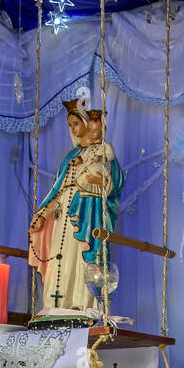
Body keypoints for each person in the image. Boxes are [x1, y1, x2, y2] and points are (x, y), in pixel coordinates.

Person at [28, 100, 125, 314]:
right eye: (70, 125)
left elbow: (115, 182)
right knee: (60, 257)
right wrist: (43, 214)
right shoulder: (70, 157)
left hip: (86, 213)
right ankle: (57, 303)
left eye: (76, 124)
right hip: (63, 216)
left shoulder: (104, 152)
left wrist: (100, 182)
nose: (73, 129)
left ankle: (83, 303)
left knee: (82, 256)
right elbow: (57, 189)